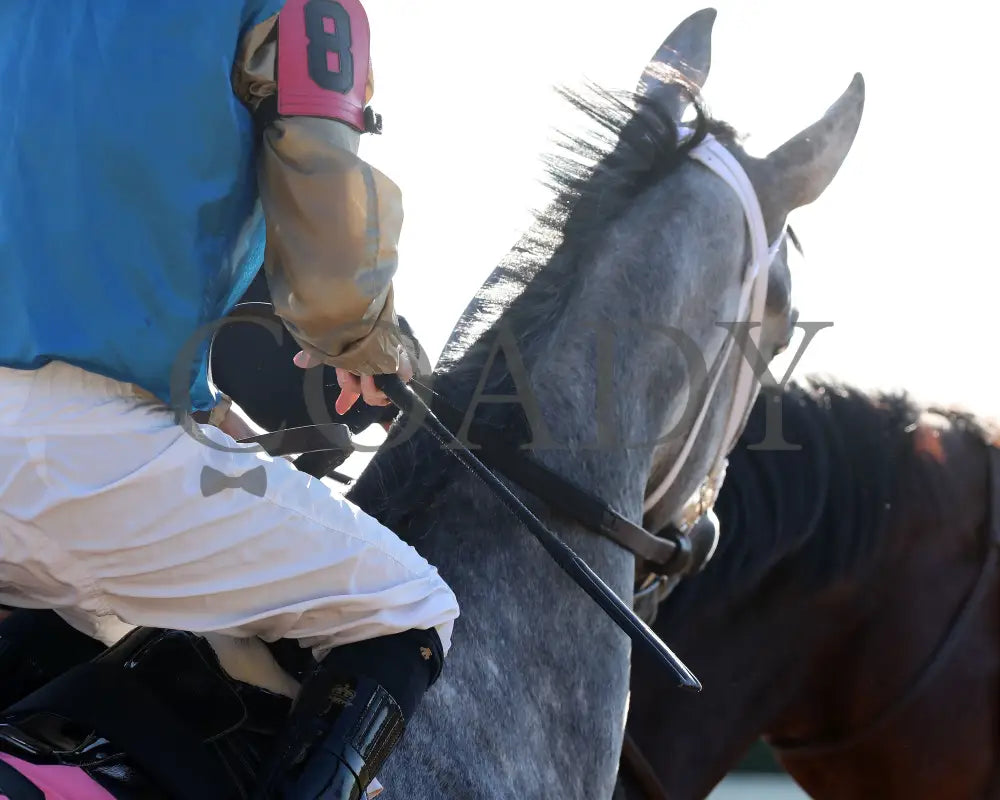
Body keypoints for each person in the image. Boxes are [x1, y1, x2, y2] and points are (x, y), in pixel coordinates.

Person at [0, 0, 458, 796]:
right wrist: (373, 343)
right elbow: (323, 218)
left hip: (85, 437)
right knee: (407, 605)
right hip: (73, 457)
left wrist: (205, 407)